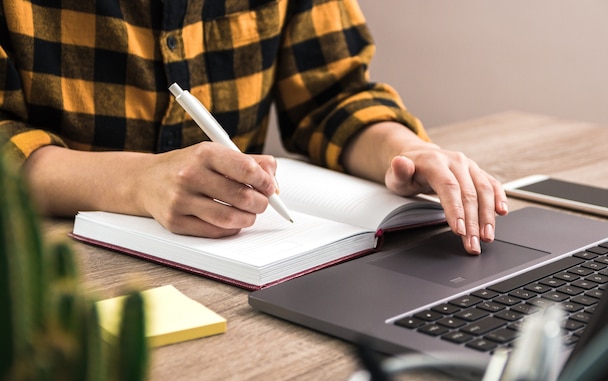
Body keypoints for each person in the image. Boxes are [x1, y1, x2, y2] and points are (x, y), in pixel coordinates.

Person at [0, 0, 507, 255]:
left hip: (234, 268)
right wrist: (137, 181)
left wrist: (405, 151)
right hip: (52, 271)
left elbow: (331, 92)